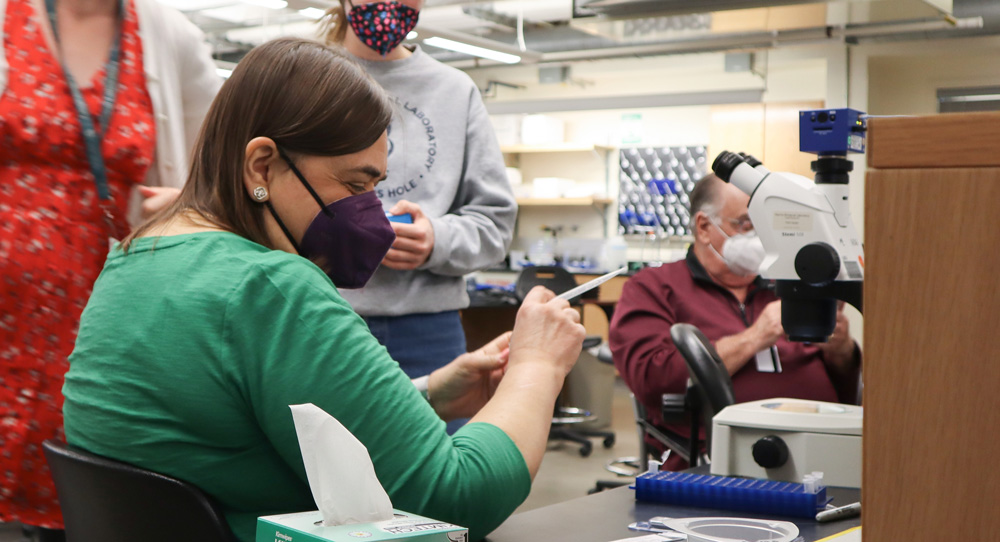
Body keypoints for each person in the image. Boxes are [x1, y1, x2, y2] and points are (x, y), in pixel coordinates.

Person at [61, 38, 585, 542]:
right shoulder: (271, 287)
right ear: (261, 166)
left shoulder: (133, 259)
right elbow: (452, 498)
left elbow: (239, 427)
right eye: (355, 185)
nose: (370, 215)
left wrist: (428, 394)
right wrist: (536, 367)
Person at [0, 0, 220, 537]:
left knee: (86, 494)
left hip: (99, 319)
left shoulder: (170, 37)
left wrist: (186, 203)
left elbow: (225, 170)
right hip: (8, 317)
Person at [317, 1, 518, 404]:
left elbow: (496, 223)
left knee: (435, 465)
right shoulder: (305, 79)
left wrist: (436, 240)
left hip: (429, 331)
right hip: (320, 319)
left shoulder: (455, 91)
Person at [609, 173, 861, 470]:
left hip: (823, 445)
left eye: (764, 225)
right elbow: (652, 379)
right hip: (721, 458)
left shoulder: (788, 284)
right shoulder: (654, 287)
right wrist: (755, 337)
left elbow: (848, 391)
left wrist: (842, 351)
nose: (759, 237)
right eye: (745, 224)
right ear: (704, 227)